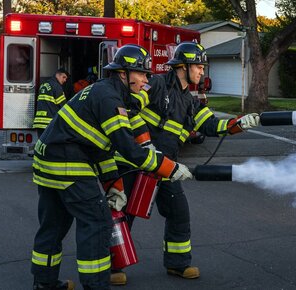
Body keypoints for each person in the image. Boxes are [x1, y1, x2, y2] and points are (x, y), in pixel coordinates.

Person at [30, 44, 193, 290]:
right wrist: (169, 168)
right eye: (141, 74)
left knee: (54, 225)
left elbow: (103, 149)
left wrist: (113, 186)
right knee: (97, 222)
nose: (146, 80)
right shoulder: (110, 98)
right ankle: (96, 284)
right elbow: (129, 149)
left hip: (47, 161)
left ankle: (44, 282)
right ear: (123, 74)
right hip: (67, 163)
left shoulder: (104, 92)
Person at [109, 42, 260, 285]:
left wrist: (239, 125)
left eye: (202, 67)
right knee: (124, 214)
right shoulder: (156, 84)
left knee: (179, 213)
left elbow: (211, 125)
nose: (202, 72)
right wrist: (144, 144)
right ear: (183, 66)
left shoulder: (189, 101)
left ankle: (178, 264)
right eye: (199, 66)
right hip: (134, 162)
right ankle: (113, 266)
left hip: (165, 167)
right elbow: (130, 106)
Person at [32, 68, 69, 136]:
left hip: (39, 123)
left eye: (66, 78)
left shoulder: (43, 85)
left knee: (42, 145)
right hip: (49, 124)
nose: (65, 80)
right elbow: (64, 106)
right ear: (57, 75)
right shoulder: (56, 86)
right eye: (63, 77)